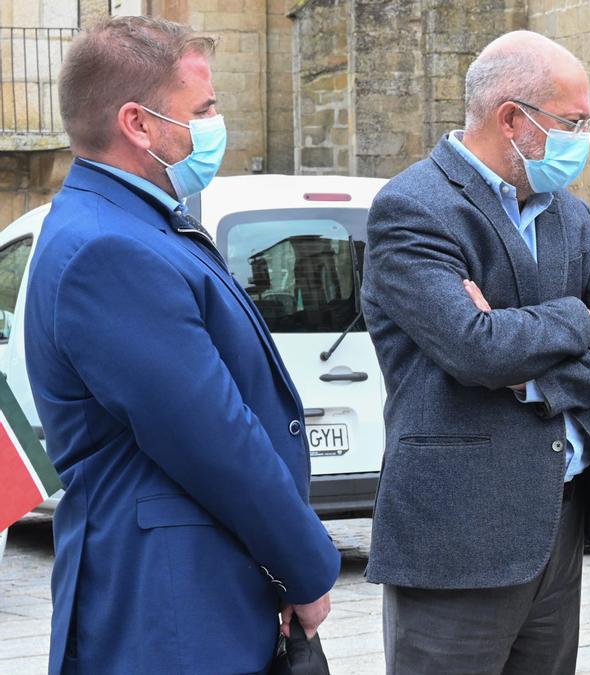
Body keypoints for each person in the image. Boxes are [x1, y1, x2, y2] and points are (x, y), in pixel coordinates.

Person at [24, 17, 340, 674]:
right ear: (138, 124)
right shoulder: (109, 249)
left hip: (192, 596)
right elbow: (215, 438)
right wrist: (306, 567)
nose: (216, 124)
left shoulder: (137, 222)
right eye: (204, 109)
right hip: (167, 611)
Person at [361, 30, 590, 674]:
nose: (583, 138)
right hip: (457, 534)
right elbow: (475, 350)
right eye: (573, 123)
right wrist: (579, 316)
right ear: (513, 119)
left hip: (561, 518)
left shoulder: (570, 216)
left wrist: (536, 378)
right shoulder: (414, 208)